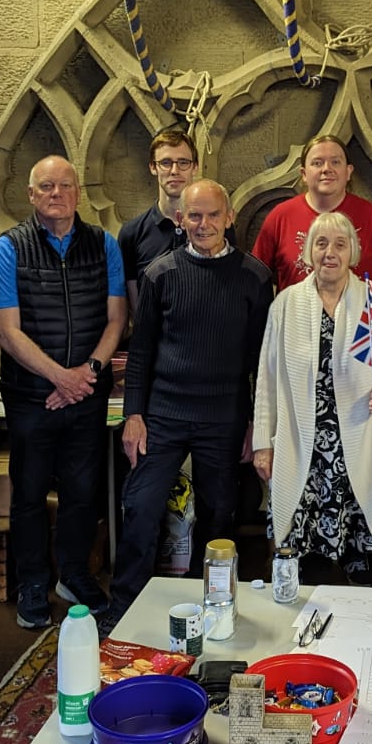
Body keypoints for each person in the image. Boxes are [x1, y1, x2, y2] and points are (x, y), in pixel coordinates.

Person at [105, 180, 274, 624]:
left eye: (212, 215)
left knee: (220, 514)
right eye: (194, 216)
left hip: (224, 417)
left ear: (229, 217)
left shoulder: (255, 277)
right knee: (141, 505)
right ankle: (125, 607)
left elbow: (262, 360)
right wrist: (134, 415)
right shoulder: (160, 273)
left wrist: (256, 426)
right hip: (163, 413)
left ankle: (210, 605)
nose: (203, 224)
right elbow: (140, 352)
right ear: (180, 220)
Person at [0, 156, 128, 629]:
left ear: (78, 192)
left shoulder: (104, 244)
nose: (57, 193)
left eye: (65, 185)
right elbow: (7, 331)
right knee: (28, 493)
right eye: (46, 185)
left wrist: (85, 373)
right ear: (30, 195)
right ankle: (33, 581)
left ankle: (73, 574)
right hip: (32, 396)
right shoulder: (8, 249)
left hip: (87, 393)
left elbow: (116, 319)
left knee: (82, 491)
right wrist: (58, 377)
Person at [253, 212, 372, 586]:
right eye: (321, 243)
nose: (330, 252)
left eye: (340, 244)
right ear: (308, 251)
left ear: (353, 252)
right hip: (305, 452)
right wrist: (262, 442)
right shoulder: (286, 305)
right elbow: (266, 380)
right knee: (309, 570)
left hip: (363, 443)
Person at [251, 134, 372, 302]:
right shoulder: (280, 217)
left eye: (335, 162)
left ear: (348, 171)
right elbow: (256, 279)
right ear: (304, 174)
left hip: (357, 324)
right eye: (317, 163)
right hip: (296, 324)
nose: (326, 169)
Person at [117, 128, 234, 311]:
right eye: (165, 162)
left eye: (183, 163)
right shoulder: (132, 233)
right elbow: (135, 307)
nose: (174, 171)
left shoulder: (216, 227)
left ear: (195, 167)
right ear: (153, 167)